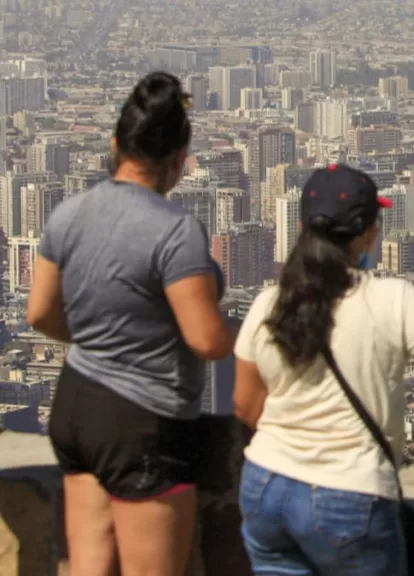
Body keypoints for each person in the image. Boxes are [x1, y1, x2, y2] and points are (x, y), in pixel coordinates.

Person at [28, 71, 234, 576]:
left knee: (88, 566)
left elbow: (39, 313)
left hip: (77, 407)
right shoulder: (174, 230)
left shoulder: (69, 212)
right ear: (180, 159)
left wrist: (100, 337)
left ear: (115, 144)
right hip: (144, 422)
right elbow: (205, 338)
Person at [232, 164, 414, 576]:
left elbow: (246, 406)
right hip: (350, 492)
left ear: (301, 226)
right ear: (368, 231)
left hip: (265, 486)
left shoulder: (268, 303)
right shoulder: (394, 300)